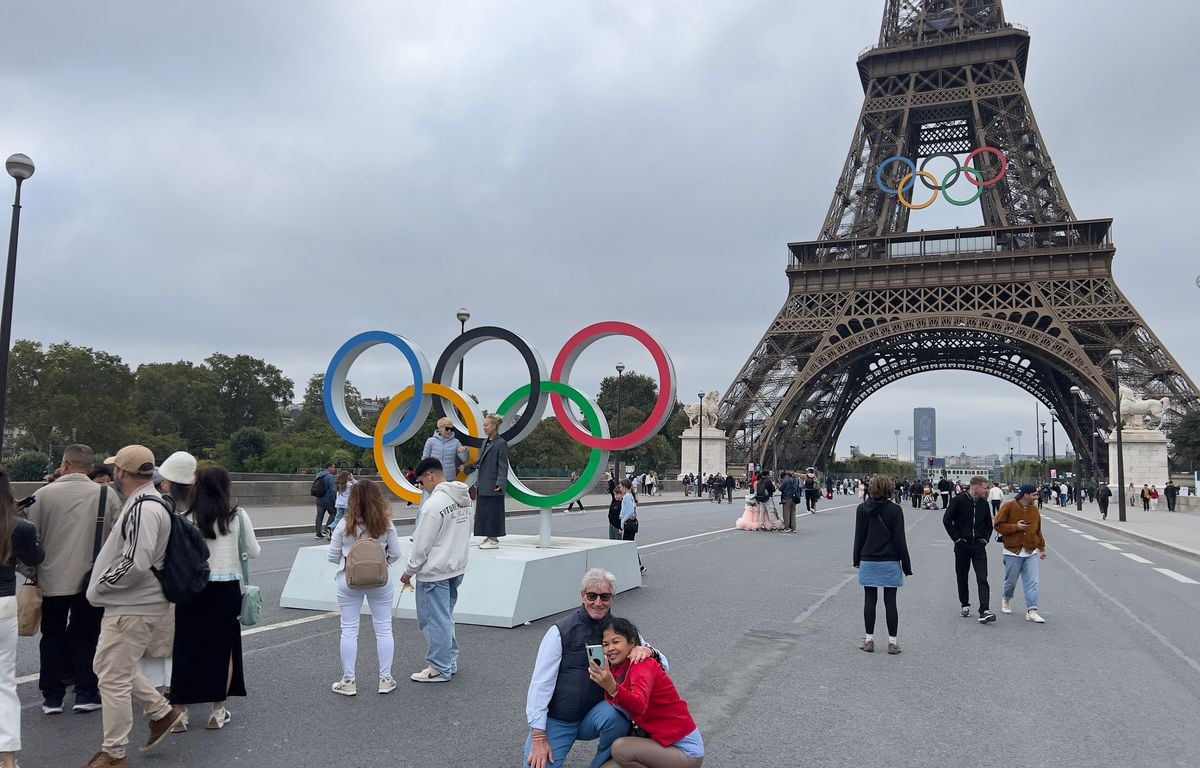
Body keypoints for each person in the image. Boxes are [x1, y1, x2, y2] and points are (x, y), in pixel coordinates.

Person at [84, 445, 187, 767]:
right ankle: (160, 711)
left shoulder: (143, 507)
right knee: (112, 669)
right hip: (139, 603)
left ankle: (114, 752)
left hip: (132, 604)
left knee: (112, 677)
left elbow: (136, 561)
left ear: (121, 472)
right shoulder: (151, 502)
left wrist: (101, 583)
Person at [523, 568, 666, 768]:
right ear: (583, 596)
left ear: (612, 598)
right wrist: (538, 735)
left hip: (597, 715)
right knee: (536, 764)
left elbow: (663, 664)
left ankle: (601, 765)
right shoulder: (559, 632)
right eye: (592, 596)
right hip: (560, 718)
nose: (598, 602)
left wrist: (649, 651)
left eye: (604, 596)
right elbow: (540, 683)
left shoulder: (621, 630)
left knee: (618, 715)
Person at [26, 443, 121, 716]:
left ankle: (52, 696)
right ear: (91, 468)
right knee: (87, 636)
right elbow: (118, 539)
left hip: (50, 578)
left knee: (52, 635)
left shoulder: (42, 495)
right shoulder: (107, 495)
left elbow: (31, 539)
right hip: (91, 579)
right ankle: (86, 691)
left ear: (64, 464)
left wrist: (33, 574)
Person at [169, 467, 258, 730]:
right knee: (223, 649)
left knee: (184, 648)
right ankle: (217, 712)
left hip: (192, 589)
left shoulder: (184, 517)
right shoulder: (237, 516)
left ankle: (180, 712)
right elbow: (253, 551)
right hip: (226, 588)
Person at [587, 617, 703, 767]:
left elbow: (639, 705)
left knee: (620, 749)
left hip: (685, 752)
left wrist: (612, 688)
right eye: (605, 644)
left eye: (616, 642)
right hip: (658, 743)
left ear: (632, 643)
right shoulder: (615, 669)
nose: (610, 648)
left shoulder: (642, 664)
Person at [327, 479, 402, 696]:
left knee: (349, 630)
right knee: (384, 628)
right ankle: (385, 679)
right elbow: (396, 554)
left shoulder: (344, 524)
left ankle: (349, 681)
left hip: (349, 581)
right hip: (380, 580)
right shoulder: (386, 524)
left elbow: (332, 556)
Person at [401, 458, 472, 684]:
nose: (422, 487)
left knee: (433, 620)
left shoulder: (433, 506)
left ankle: (439, 667)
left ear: (429, 475)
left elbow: (422, 544)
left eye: (421, 482)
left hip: (435, 571)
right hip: (455, 566)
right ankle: (448, 661)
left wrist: (409, 571)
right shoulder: (464, 498)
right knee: (445, 617)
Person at [0, 465, 46, 768]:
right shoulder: (18, 526)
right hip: (3, 603)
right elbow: (35, 558)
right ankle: (7, 758)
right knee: (4, 683)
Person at [852, 475, 912, 655]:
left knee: (869, 600)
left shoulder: (862, 509)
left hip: (868, 559)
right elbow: (900, 539)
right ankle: (892, 642)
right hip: (890, 560)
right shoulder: (895, 510)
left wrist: (857, 559)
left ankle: (869, 639)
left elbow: (859, 537)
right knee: (890, 602)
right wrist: (906, 565)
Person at [942, 477, 996, 624]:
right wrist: (957, 539)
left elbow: (988, 525)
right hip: (962, 545)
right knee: (962, 576)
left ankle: (984, 609)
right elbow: (947, 520)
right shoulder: (958, 501)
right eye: (985, 487)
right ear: (975, 487)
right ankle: (965, 604)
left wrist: (984, 540)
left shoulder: (984, 504)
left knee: (982, 577)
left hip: (978, 545)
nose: (987, 490)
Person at [994, 484, 1047, 623]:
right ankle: (1006, 598)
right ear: (1026, 495)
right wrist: (1015, 527)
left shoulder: (1034, 510)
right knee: (1011, 581)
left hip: (1031, 550)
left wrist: (1041, 548)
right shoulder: (1008, 506)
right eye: (1034, 495)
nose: (1037, 497)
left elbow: (1037, 530)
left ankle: (1032, 610)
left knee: (1033, 582)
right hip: (1012, 550)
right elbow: (998, 525)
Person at [471, 413, 510, 550]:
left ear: (494, 426)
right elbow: (480, 460)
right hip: (483, 482)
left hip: (493, 484)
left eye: (486, 425)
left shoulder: (501, 443)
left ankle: (493, 538)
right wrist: (467, 466)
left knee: (493, 511)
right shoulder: (485, 441)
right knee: (484, 511)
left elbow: (503, 465)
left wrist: (500, 482)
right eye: (484, 425)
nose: (484, 428)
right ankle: (488, 536)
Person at [617, 479, 645, 574]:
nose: (620, 489)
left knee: (627, 546)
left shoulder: (627, 497)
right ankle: (638, 566)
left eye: (620, 487)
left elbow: (629, 512)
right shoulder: (630, 496)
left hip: (628, 524)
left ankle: (631, 566)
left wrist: (622, 523)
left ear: (624, 487)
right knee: (629, 545)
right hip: (631, 524)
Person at [313, 462, 337, 540]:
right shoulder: (330, 476)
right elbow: (332, 490)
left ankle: (318, 533)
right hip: (327, 499)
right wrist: (335, 500)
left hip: (319, 498)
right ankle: (327, 528)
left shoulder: (319, 475)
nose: (334, 469)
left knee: (319, 515)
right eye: (333, 467)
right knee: (334, 513)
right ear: (329, 467)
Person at [328, 470, 356, 535]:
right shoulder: (349, 485)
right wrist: (353, 478)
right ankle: (344, 531)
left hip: (338, 504)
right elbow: (357, 484)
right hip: (346, 504)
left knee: (337, 518)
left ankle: (332, 527)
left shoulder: (337, 484)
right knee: (346, 519)